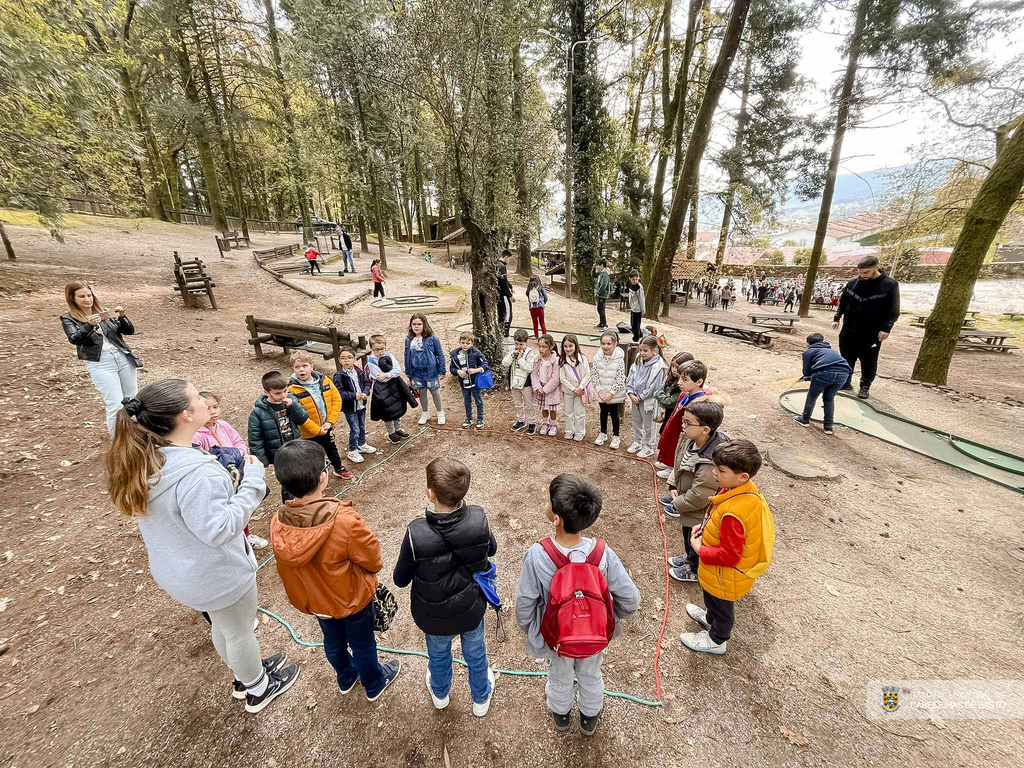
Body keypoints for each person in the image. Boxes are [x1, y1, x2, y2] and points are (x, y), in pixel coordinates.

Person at [107, 379, 299, 713]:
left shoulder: (149, 458)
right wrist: (253, 482)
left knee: (226, 627)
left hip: (182, 571)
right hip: (216, 573)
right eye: (198, 397)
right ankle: (258, 688)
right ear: (185, 415)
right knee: (239, 632)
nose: (203, 399)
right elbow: (220, 529)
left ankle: (246, 673)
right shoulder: (197, 472)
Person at [270, 440, 401, 701]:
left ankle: (345, 676)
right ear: (323, 477)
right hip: (351, 599)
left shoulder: (278, 521)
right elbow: (374, 560)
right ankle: (374, 683)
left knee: (332, 640)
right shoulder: (344, 520)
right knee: (362, 643)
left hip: (316, 601)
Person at [514, 474, 641, 736]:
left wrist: (528, 626)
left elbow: (526, 600)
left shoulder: (538, 555)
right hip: (594, 634)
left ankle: (560, 714)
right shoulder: (603, 553)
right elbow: (631, 599)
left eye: (549, 501)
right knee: (591, 674)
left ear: (556, 518)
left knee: (559, 674)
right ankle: (589, 717)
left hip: (557, 636)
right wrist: (610, 618)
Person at [393, 458, 498, 716]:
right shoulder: (478, 518)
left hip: (433, 615)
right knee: (475, 652)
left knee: (438, 655)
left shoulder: (415, 533)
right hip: (470, 608)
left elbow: (400, 579)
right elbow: (491, 549)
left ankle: (440, 694)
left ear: (430, 494)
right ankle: (481, 697)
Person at [680, 440, 775, 655]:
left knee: (722, 607)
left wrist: (699, 548)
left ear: (743, 476)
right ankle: (708, 618)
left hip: (725, 574)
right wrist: (704, 528)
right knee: (711, 599)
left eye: (720, 470)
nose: (714, 473)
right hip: (719, 574)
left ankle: (717, 640)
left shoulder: (735, 513)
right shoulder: (739, 490)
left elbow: (730, 555)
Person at [60, 281, 141, 435]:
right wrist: (88, 326)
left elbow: (129, 331)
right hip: (100, 362)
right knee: (115, 404)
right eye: (82, 296)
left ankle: (135, 436)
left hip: (122, 356)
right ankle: (116, 441)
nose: (87, 299)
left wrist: (123, 317)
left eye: (89, 295)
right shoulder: (69, 318)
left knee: (133, 400)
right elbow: (75, 339)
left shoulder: (103, 312)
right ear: (72, 298)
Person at [665, 400, 729, 583]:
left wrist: (676, 503)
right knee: (687, 537)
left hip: (697, 511)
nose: (683, 426)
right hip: (687, 504)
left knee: (696, 539)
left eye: (688, 423)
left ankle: (694, 569)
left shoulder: (711, 461)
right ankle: (688, 558)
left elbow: (701, 495)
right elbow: (679, 464)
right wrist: (672, 484)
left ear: (705, 429)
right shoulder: (690, 439)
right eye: (683, 421)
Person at [194, 391, 267, 551]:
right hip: (221, 479)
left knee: (245, 502)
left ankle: (243, 535)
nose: (213, 412)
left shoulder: (224, 426)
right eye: (207, 408)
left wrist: (237, 454)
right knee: (232, 507)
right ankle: (241, 539)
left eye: (216, 407)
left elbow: (238, 442)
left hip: (237, 471)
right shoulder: (197, 436)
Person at [832, 255, 900, 400]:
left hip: (872, 330)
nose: (862, 276)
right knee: (846, 357)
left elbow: (893, 309)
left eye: (866, 273)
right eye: (860, 273)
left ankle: (865, 386)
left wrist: (887, 328)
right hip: (850, 327)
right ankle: (845, 381)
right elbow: (843, 302)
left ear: (876, 268)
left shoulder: (890, 285)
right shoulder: (853, 283)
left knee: (868, 360)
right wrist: (837, 318)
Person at [248, 371, 318, 503]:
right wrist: (261, 461)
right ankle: (289, 505)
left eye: (285, 391)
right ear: (267, 392)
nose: (283, 395)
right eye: (278, 393)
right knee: (287, 481)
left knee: (301, 475)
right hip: (278, 453)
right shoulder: (258, 413)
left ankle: (304, 501)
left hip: (296, 447)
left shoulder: (292, 400)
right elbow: (255, 439)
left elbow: (303, 418)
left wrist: (293, 406)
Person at [288, 351, 352, 480]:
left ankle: (338, 468)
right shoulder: (291, 390)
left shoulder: (324, 380)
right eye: (297, 367)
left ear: (312, 366)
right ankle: (316, 479)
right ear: (293, 368)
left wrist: (329, 422)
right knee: (312, 456)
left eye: (305, 366)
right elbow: (298, 415)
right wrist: (317, 430)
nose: (301, 370)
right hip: (308, 432)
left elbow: (336, 399)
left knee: (331, 448)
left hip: (326, 426)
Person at [659, 360, 711, 503]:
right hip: (679, 435)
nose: (679, 382)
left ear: (699, 381)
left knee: (686, 469)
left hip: (689, 439)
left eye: (685, 379)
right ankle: (675, 496)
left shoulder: (700, 404)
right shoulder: (684, 395)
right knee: (678, 462)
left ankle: (681, 502)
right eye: (680, 378)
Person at [794, 333, 852, 435]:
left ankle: (805, 419)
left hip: (825, 373)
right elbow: (830, 364)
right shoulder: (831, 350)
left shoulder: (808, 352)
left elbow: (807, 372)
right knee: (829, 398)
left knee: (812, 396)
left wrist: (807, 377)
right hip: (844, 374)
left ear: (808, 343)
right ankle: (828, 427)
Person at [331, 348, 377, 464]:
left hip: (361, 404)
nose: (346, 360)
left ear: (355, 359)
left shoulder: (359, 371)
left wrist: (366, 393)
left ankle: (361, 444)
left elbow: (367, 382)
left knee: (362, 426)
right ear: (339, 360)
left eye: (349, 357)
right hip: (350, 407)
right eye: (343, 358)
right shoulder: (339, 375)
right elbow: (339, 392)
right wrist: (353, 395)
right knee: (355, 429)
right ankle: (352, 450)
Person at [653, 352, 695, 478]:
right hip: (670, 417)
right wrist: (661, 395)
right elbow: (662, 390)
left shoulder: (683, 388)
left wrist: (659, 395)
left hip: (678, 420)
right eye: (673, 366)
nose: (674, 370)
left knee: (675, 444)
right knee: (666, 438)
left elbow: (669, 401)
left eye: (677, 367)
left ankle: (672, 467)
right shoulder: (671, 379)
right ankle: (666, 462)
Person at [625, 336, 667, 459]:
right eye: (640, 350)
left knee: (649, 425)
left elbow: (655, 386)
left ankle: (649, 446)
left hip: (647, 400)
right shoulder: (638, 360)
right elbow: (631, 376)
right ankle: (637, 441)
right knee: (637, 421)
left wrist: (641, 397)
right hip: (635, 398)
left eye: (645, 350)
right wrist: (631, 392)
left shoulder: (659, 366)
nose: (642, 353)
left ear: (654, 350)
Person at [404, 313, 447, 425]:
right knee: (422, 392)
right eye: (414, 324)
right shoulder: (409, 340)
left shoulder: (432, 338)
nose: (416, 326)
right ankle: (425, 412)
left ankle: (440, 412)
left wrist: (442, 370)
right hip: (417, 372)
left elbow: (440, 354)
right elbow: (407, 356)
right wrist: (408, 372)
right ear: (410, 325)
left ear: (424, 325)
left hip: (431, 371)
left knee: (435, 391)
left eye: (419, 324)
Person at [368, 356, 420, 443]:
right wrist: (391, 374)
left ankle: (398, 429)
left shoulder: (390, 356)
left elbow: (397, 371)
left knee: (397, 410)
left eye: (382, 349)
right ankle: (391, 433)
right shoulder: (371, 362)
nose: (380, 352)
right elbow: (379, 378)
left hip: (395, 387)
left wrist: (387, 375)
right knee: (387, 414)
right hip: (383, 390)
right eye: (377, 350)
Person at [592, 330, 626, 450]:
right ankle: (603, 433)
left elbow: (620, 377)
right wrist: (600, 391)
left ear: (615, 344)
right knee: (603, 412)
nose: (605, 346)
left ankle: (616, 435)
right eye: (603, 343)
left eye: (608, 344)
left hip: (613, 393)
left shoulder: (619, 358)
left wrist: (612, 393)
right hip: (602, 392)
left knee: (614, 413)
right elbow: (594, 374)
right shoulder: (597, 357)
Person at [449, 331, 489, 430]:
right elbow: (452, 369)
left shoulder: (476, 353)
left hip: (475, 383)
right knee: (467, 402)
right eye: (463, 343)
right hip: (464, 384)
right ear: (459, 342)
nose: (465, 345)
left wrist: (476, 370)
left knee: (478, 401)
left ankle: (480, 419)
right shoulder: (455, 355)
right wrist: (458, 371)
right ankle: (469, 418)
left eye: (468, 343)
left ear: (472, 343)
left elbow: (485, 365)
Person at [503, 328, 538, 434]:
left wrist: (520, 359)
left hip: (526, 383)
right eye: (516, 344)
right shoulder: (511, 350)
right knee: (518, 403)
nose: (518, 347)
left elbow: (529, 368)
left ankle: (532, 422)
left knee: (529, 404)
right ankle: (520, 420)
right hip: (514, 381)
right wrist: (512, 356)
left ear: (526, 343)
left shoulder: (530, 353)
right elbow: (504, 363)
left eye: (521, 344)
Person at [559, 334, 591, 442]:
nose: (568, 349)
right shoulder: (562, 360)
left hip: (580, 391)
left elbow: (588, 374)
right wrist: (573, 388)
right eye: (565, 346)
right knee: (568, 412)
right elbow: (562, 378)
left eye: (570, 346)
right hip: (568, 391)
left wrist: (580, 387)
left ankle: (580, 431)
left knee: (579, 412)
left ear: (576, 345)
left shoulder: (583, 359)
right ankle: (569, 430)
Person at [532, 334, 562, 437]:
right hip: (540, 386)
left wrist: (545, 389)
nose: (540, 349)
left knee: (552, 407)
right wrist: (537, 387)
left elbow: (555, 378)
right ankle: (545, 423)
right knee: (543, 406)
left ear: (551, 347)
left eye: (543, 347)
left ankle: (553, 424)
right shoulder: (537, 358)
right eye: (539, 346)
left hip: (551, 389)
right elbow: (534, 373)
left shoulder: (556, 360)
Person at [496, 250, 515, 337]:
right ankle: (505, 333)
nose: (509, 261)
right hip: (503, 295)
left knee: (500, 313)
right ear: (506, 257)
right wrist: (510, 295)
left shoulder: (496, 264)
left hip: (497, 294)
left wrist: (510, 286)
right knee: (508, 313)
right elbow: (503, 283)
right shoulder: (502, 266)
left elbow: (504, 280)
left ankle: (500, 332)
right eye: (509, 259)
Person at [626, 271, 646, 342]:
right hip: (633, 308)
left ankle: (636, 337)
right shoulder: (630, 285)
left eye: (636, 279)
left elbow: (641, 298)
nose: (635, 281)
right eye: (633, 279)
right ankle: (640, 333)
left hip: (638, 309)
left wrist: (643, 309)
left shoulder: (639, 287)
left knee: (636, 324)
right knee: (632, 323)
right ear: (630, 279)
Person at [593, 260, 611, 330]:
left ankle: (604, 323)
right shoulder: (600, 273)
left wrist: (598, 292)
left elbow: (604, 285)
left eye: (598, 265)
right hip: (600, 294)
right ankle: (602, 322)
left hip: (603, 294)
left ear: (602, 265)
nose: (597, 266)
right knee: (600, 308)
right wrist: (593, 269)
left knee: (601, 309)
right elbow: (594, 275)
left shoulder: (605, 274)